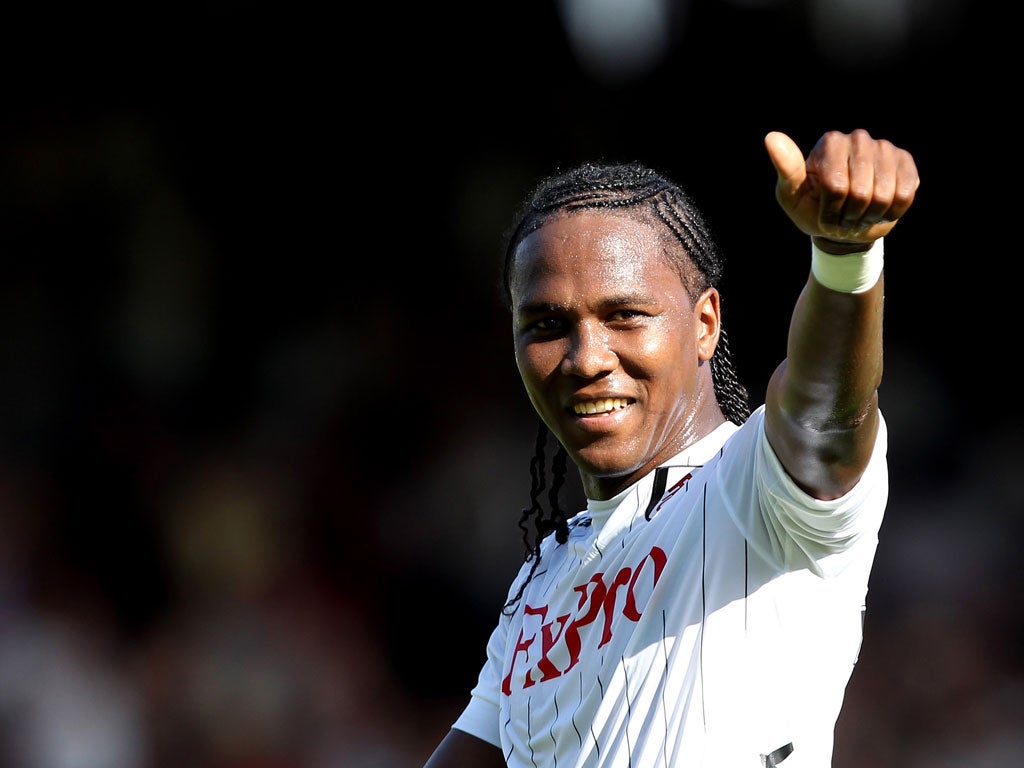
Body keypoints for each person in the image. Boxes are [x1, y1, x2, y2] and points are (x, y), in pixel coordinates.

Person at [423, 128, 920, 768]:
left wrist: (845, 256)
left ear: (705, 324)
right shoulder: (539, 587)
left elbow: (825, 416)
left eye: (625, 315)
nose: (586, 359)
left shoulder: (757, 492)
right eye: (548, 326)